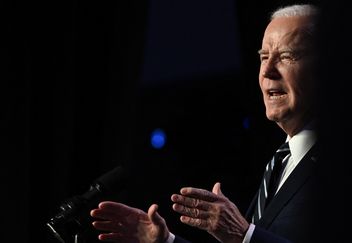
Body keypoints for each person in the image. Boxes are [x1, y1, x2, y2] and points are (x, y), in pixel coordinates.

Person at [90, 4, 325, 243]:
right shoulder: (279, 163)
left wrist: (245, 235)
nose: (267, 71)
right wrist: (166, 241)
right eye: (264, 57)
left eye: (286, 56)